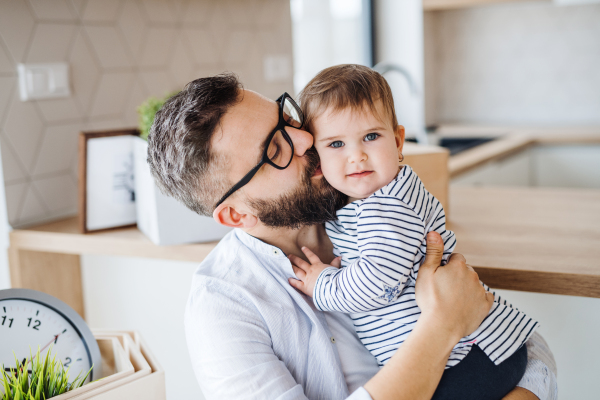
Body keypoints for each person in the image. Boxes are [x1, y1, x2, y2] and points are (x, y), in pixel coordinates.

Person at [146, 73, 557, 400]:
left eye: (286, 119)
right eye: (275, 150)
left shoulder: (365, 203)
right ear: (236, 213)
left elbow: (521, 347)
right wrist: (441, 324)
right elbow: (458, 315)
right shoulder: (223, 309)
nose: (307, 139)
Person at [287, 65, 538, 399]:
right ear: (317, 160)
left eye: (371, 137)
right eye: (336, 144)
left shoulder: (387, 204)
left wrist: (322, 285)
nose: (357, 155)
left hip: (469, 356)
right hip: (465, 351)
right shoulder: (366, 200)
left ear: (399, 140)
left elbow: (375, 283)